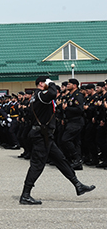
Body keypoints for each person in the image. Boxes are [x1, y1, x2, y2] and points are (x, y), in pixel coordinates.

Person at [19, 76, 95, 205]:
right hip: (41, 136)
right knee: (37, 165)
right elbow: (53, 93)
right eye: (46, 83)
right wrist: (51, 83)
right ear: (41, 84)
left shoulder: (35, 96)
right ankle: (25, 195)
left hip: (45, 135)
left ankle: (78, 185)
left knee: (61, 160)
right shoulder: (40, 95)